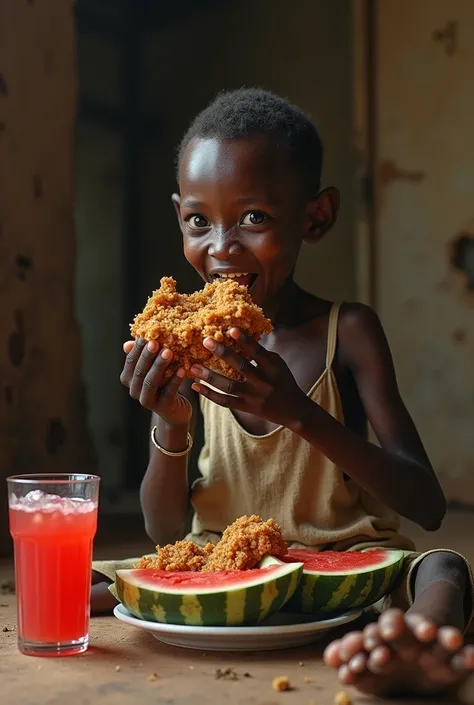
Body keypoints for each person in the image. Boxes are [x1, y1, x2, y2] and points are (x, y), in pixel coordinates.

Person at [92, 88, 474, 696]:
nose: (221, 247)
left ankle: (414, 649)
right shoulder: (191, 349)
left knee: (444, 570)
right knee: (100, 580)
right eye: (199, 220)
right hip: (222, 556)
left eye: (254, 218)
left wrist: (302, 414)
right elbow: (165, 529)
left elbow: (425, 505)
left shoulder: (347, 331)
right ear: (179, 217)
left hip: (343, 554)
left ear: (315, 217)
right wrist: (170, 425)